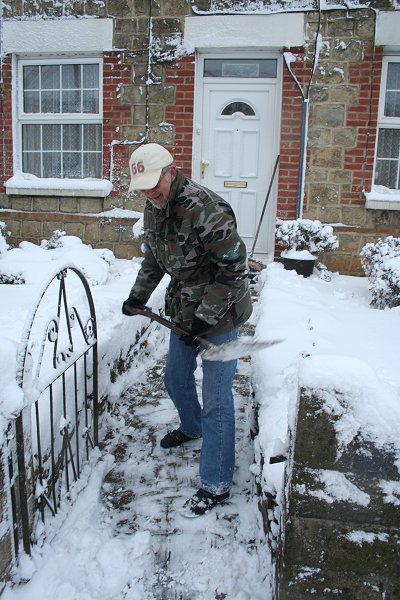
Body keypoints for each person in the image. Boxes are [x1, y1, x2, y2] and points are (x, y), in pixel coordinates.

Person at [122, 143, 252, 517]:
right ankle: (191, 427)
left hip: (221, 314)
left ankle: (216, 483)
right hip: (182, 310)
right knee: (176, 378)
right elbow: (155, 257)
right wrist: (138, 295)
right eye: (143, 187)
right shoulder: (155, 207)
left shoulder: (207, 210)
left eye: (154, 185)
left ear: (171, 172)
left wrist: (206, 317)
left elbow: (233, 269)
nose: (149, 193)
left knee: (217, 401)